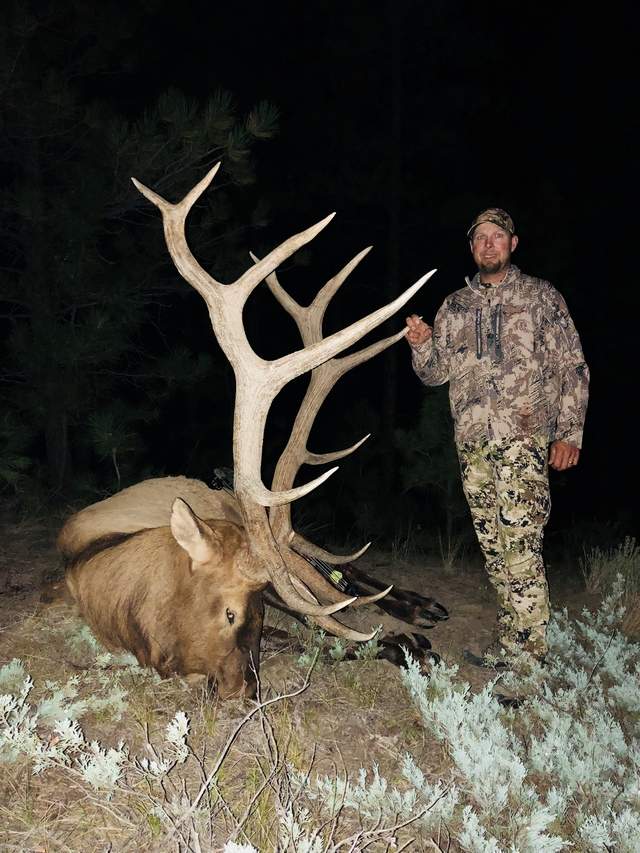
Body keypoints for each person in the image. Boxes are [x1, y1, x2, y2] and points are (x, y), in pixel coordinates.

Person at [405, 208, 589, 666]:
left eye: (497, 236)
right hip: (473, 445)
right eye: (480, 238)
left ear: (513, 243)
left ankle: (529, 661)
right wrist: (422, 345)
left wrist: (569, 432)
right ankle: (512, 641)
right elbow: (435, 375)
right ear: (472, 248)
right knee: (494, 547)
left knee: (521, 545)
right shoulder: (454, 306)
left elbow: (573, 367)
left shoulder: (541, 297)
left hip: (523, 439)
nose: (489, 244)